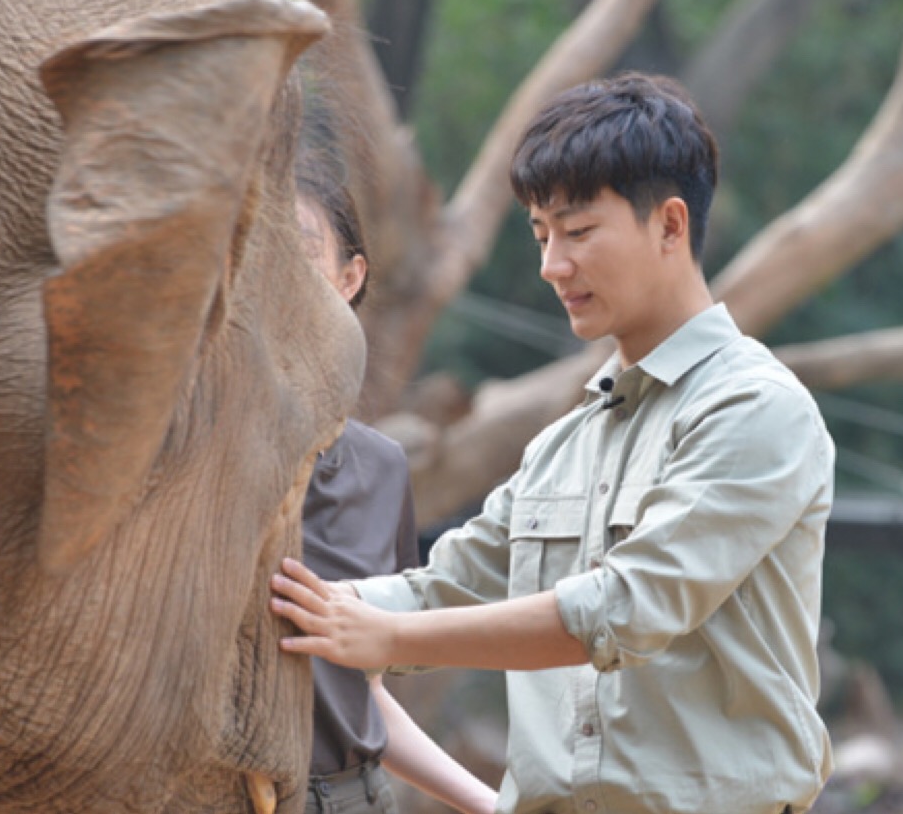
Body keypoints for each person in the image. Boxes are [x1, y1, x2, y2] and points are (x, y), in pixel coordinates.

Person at [272, 72, 836, 814]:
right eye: (540, 234)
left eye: (577, 232)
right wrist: (302, 604)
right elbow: (447, 583)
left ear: (670, 225)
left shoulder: (756, 410)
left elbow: (624, 607)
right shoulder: (566, 441)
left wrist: (381, 635)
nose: (551, 265)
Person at [292, 159, 498, 814]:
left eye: (296, 251)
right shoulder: (180, 447)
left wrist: (493, 806)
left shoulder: (379, 469)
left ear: (351, 278)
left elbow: (361, 698)